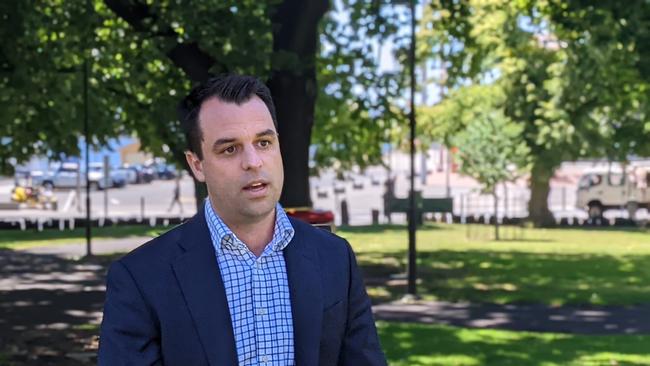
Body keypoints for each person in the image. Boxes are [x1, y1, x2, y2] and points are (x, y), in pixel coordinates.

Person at [98, 74, 387, 366]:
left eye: (263, 142)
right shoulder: (141, 278)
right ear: (197, 165)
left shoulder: (335, 258)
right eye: (230, 149)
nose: (253, 161)